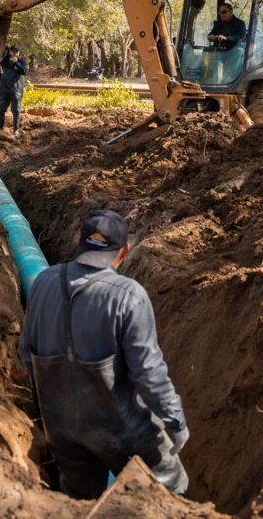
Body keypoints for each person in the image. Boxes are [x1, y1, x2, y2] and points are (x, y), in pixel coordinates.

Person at [18, 210, 190, 499]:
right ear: (124, 251)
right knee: (173, 492)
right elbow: (148, 372)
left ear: (78, 241)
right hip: (121, 430)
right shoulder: (128, 295)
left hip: (60, 429)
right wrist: (175, 419)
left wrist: (51, 409)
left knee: (79, 502)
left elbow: (26, 353)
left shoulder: (43, 283)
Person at [0, 46, 28, 132]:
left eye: (17, 52)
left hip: (16, 90)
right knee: (1, 108)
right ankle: (0, 128)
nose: (15, 53)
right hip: (4, 88)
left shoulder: (22, 61)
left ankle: (16, 129)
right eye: (13, 51)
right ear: (10, 52)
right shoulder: (4, 60)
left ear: (19, 53)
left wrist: (16, 63)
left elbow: (24, 71)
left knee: (16, 110)